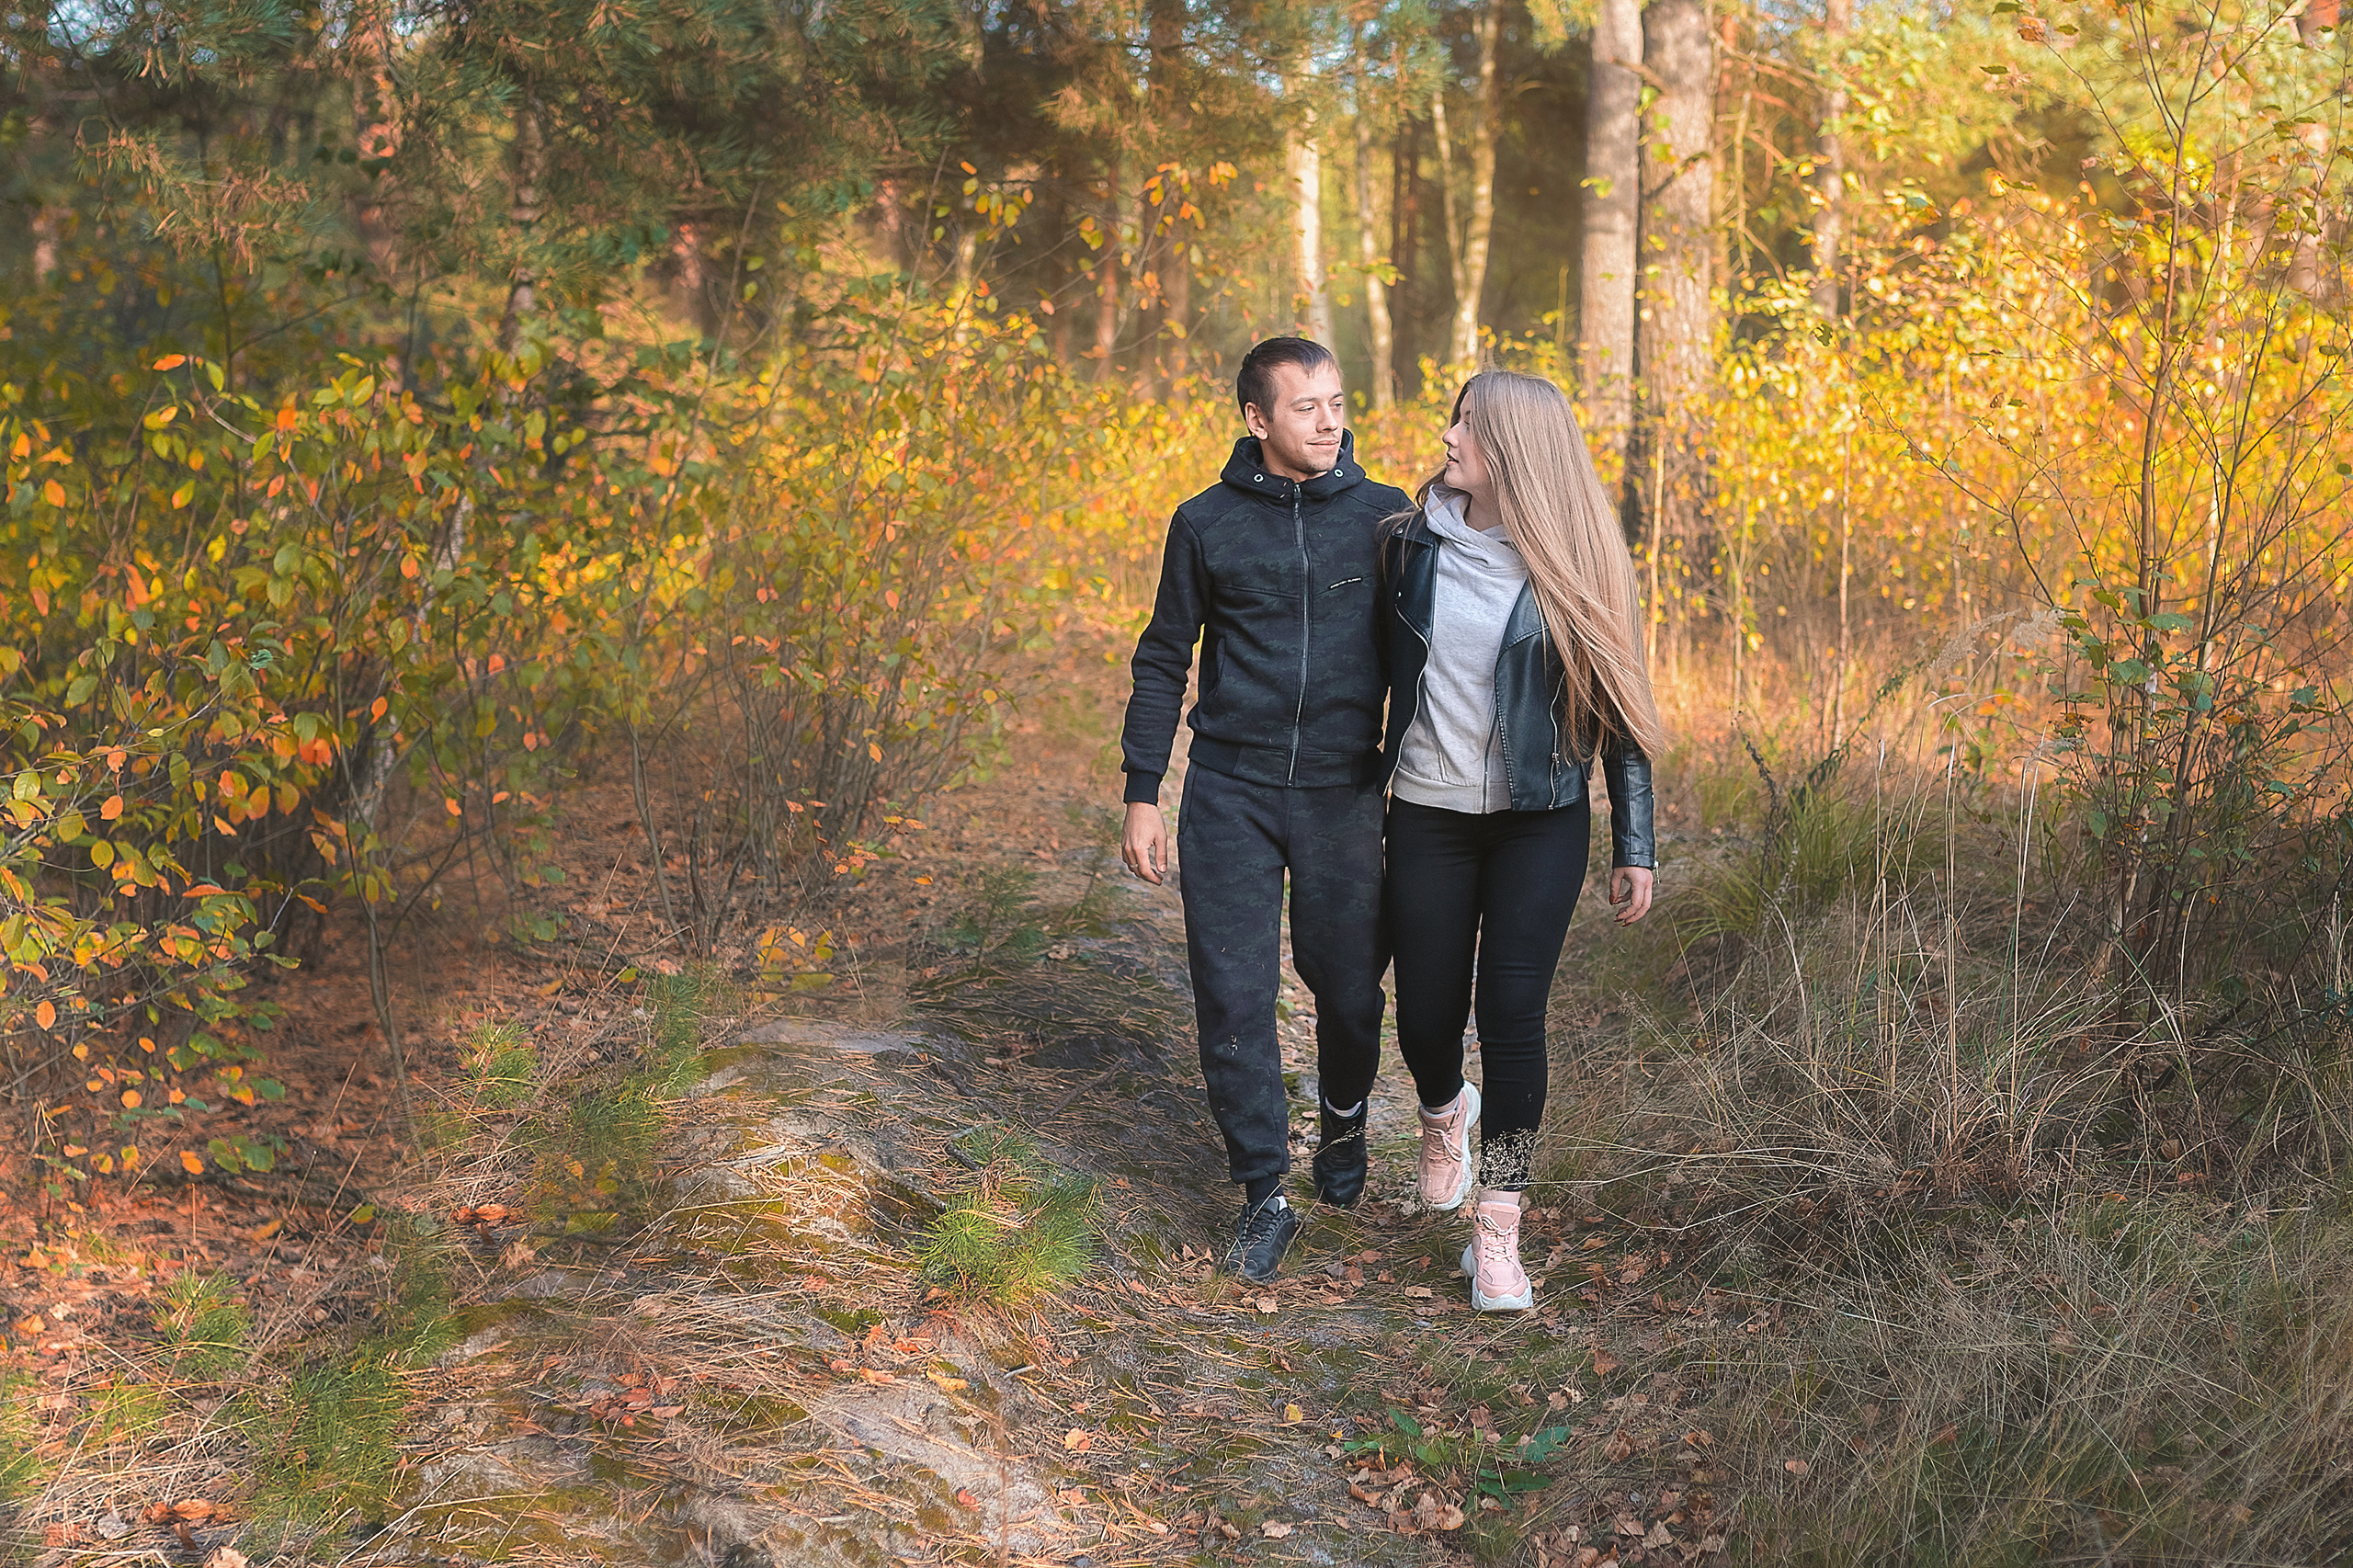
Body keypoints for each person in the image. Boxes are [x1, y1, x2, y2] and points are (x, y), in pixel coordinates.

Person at [1120, 337, 1411, 1283]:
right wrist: (1141, 791)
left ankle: (1342, 1123)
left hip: (1343, 790)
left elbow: (1427, 656)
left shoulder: (1384, 518)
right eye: (1305, 407)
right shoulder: (1203, 523)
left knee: (1351, 992)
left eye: (1337, 402)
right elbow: (1164, 655)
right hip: (1229, 790)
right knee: (1234, 995)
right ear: (1256, 419)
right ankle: (1261, 1191)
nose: (1329, 422)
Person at [1377, 369, 1662, 1312]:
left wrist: (1637, 841)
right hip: (1426, 808)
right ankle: (1441, 1110)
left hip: (1540, 819)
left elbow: (1620, 712)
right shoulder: (1407, 543)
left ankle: (1497, 1228)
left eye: (1469, 424)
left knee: (1512, 1018)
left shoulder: (1579, 560)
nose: (1449, 436)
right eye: (1455, 419)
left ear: (1514, 452)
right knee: (1422, 1012)